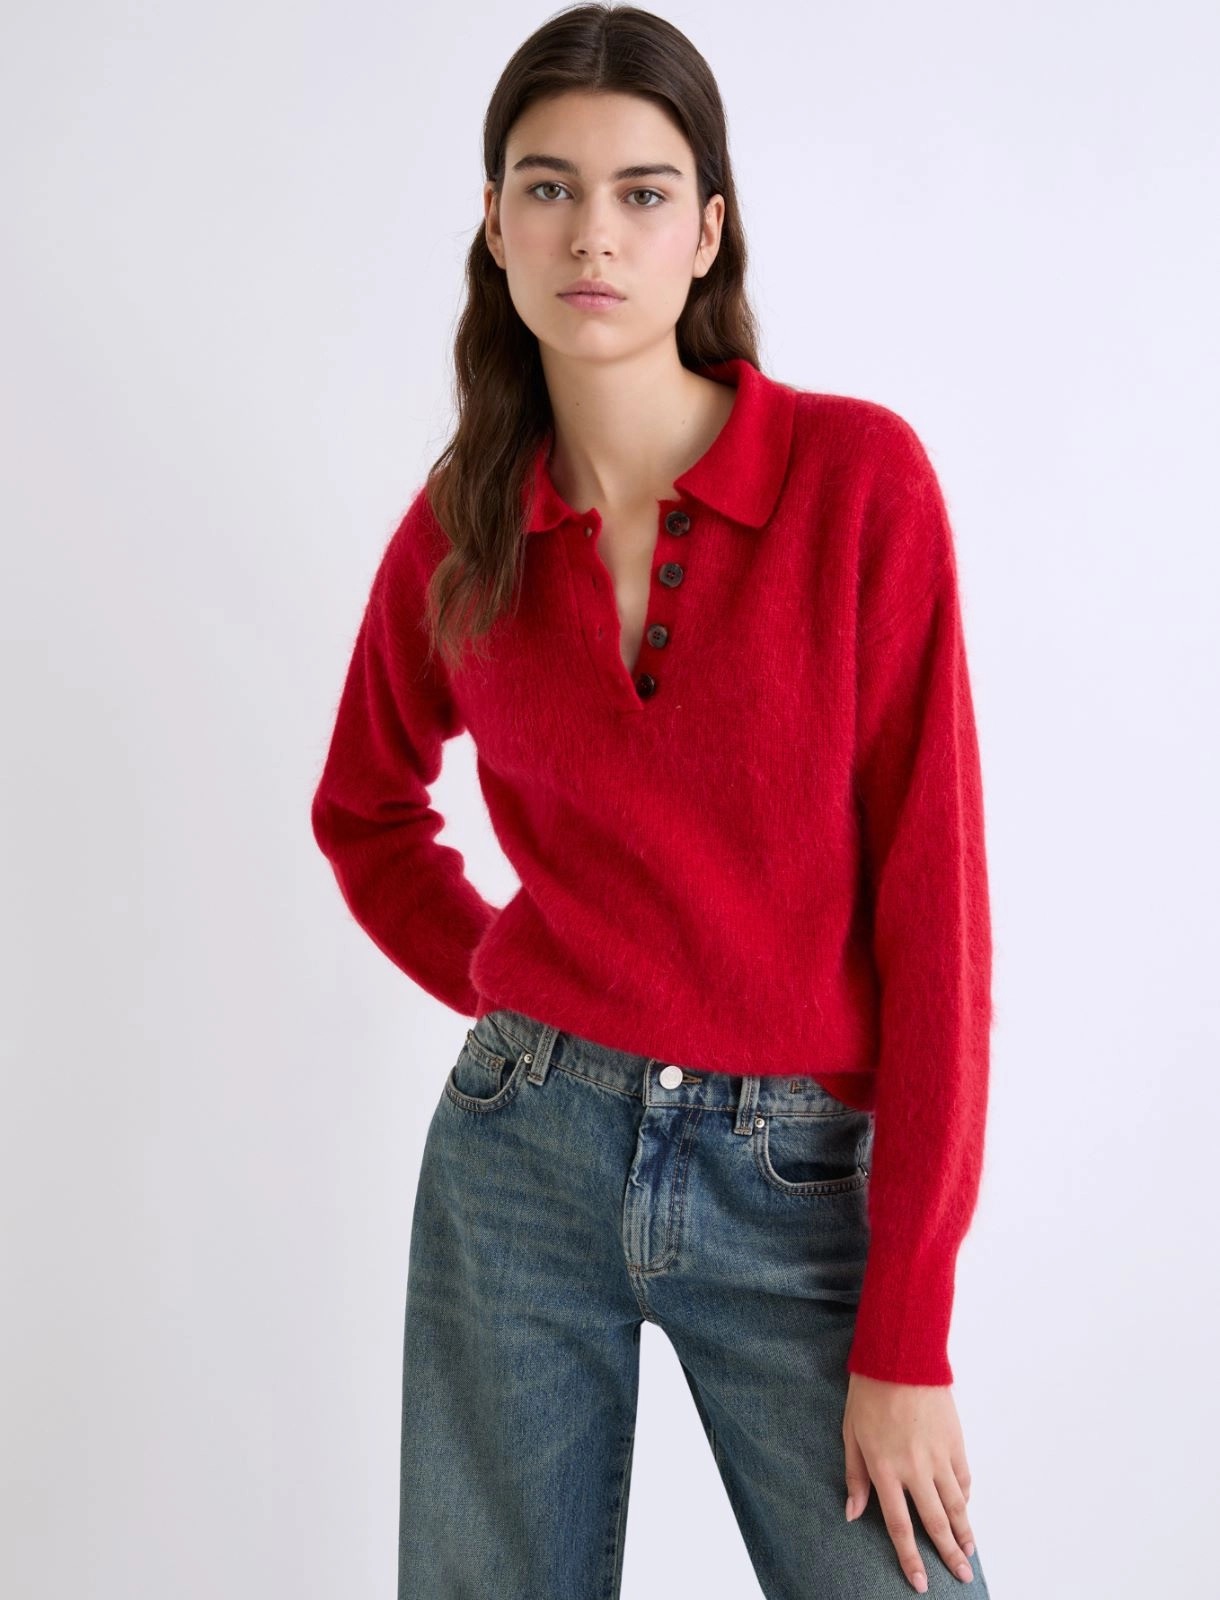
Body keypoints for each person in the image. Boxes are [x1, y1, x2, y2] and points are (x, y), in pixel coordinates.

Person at [309, 7, 995, 1597]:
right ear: (496, 226)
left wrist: (909, 1332)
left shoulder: (859, 485)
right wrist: (523, 986)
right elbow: (365, 812)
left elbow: (937, 927)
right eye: (548, 188)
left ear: (708, 230)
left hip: (797, 1179)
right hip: (520, 1161)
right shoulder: (462, 530)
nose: (593, 234)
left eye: (642, 192)